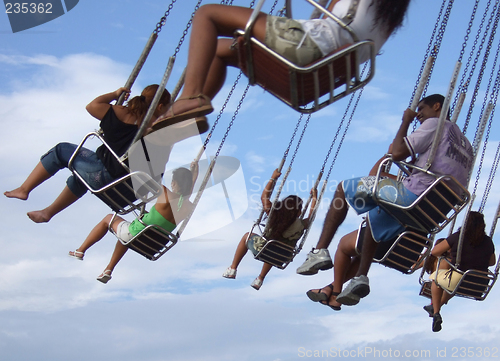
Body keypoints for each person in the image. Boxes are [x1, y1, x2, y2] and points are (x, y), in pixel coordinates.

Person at [296, 94, 474, 308]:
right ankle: (358, 278)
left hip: (414, 197)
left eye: (422, 109)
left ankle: (319, 251)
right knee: (376, 209)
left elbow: (397, 153)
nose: (418, 114)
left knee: (343, 188)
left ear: (437, 106)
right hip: (434, 210)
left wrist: (405, 122)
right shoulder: (466, 146)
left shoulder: (435, 124)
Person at [152, 0, 411, 127]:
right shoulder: (388, 14)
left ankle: (189, 98)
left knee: (207, 15)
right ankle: (194, 111)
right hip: (325, 72)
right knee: (218, 50)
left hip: (309, 47)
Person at [4, 85, 171, 223]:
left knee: (61, 150)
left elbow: (92, 106)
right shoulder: (159, 131)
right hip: (124, 193)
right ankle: (47, 213)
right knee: (80, 179)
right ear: (161, 107)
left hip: (105, 177)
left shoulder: (122, 113)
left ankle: (24, 189)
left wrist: (115, 94)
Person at [68, 162, 199, 284]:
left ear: (174, 182)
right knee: (126, 236)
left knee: (109, 219)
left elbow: (148, 177)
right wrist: (194, 175)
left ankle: (80, 250)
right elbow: (187, 193)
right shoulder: (188, 207)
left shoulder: (165, 193)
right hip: (153, 245)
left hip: (137, 234)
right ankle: (108, 269)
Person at [222, 168, 317, 290]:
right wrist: (314, 198)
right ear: (299, 212)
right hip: (282, 256)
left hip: (266, 249)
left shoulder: (275, 214)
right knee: (275, 248)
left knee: (248, 236)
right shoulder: (302, 224)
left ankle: (233, 268)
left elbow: (264, 197)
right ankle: (260, 279)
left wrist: (273, 178)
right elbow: (312, 215)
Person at [428, 211, 495, 332]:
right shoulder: (488, 241)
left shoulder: (458, 236)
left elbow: (435, 252)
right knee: (454, 283)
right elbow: (492, 262)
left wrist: (451, 253)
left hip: (459, 281)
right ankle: (434, 308)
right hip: (479, 286)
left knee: (437, 279)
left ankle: (436, 312)